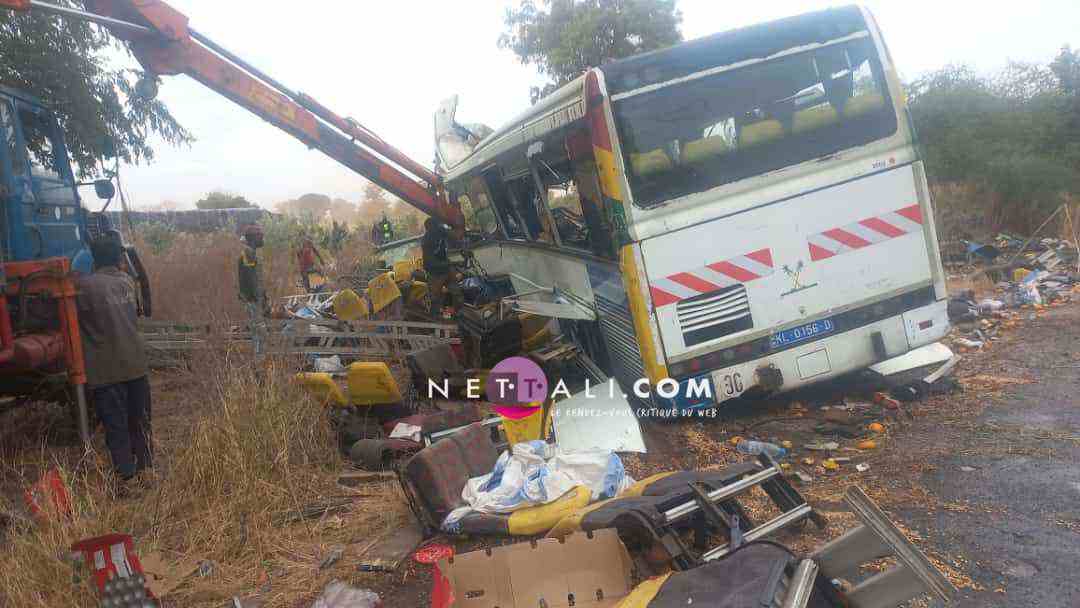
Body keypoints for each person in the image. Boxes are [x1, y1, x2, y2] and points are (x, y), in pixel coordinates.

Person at [78, 234, 152, 482]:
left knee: (116, 424)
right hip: (136, 365)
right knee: (139, 420)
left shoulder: (86, 287)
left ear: (93, 258)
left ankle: (126, 476)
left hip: (107, 372)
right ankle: (145, 469)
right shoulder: (127, 281)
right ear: (118, 258)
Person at [421, 218, 464, 318]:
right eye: (436, 226)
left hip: (446, 270)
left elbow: (455, 236)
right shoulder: (427, 241)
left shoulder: (440, 231)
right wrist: (452, 263)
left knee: (457, 294)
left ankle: (458, 317)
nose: (439, 227)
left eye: (439, 225)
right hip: (434, 273)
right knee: (435, 300)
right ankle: (436, 322)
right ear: (429, 228)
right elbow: (431, 263)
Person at [238, 224, 268, 356]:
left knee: (258, 332)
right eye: (261, 236)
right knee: (259, 333)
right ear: (254, 238)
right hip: (252, 300)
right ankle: (258, 363)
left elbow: (255, 278)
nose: (263, 238)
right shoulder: (248, 253)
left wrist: (264, 296)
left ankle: (259, 361)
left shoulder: (250, 253)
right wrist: (258, 298)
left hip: (254, 300)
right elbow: (250, 277)